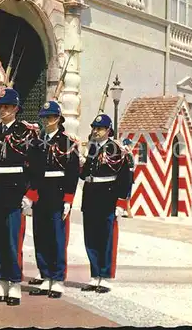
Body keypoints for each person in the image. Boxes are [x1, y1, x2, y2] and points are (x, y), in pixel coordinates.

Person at [0, 88, 42, 306]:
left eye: (6, 107)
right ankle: (1, 281)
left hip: (13, 191)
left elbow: (37, 167)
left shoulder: (26, 132)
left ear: (15, 109)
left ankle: (14, 284)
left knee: (11, 240)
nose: (2, 110)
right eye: (0, 107)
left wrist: (30, 194)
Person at [29, 100, 80, 298]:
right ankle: (45, 275)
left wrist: (68, 199)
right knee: (40, 236)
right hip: (40, 194)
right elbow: (31, 170)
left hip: (58, 194)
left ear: (58, 119)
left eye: (50, 117)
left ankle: (57, 278)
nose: (46, 121)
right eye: (44, 117)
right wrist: (31, 193)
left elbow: (73, 172)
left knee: (57, 238)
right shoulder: (36, 143)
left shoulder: (67, 142)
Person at [79, 113, 130, 294]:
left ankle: (106, 277)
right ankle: (95, 275)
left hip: (107, 198)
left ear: (108, 130)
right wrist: (82, 160)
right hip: (91, 197)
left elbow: (125, 178)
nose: (96, 131)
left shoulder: (115, 149)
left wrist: (120, 203)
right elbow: (84, 175)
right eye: (94, 128)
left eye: (99, 128)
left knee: (105, 240)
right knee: (90, 238)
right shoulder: (92, 148)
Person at [121, 138, 135, 219]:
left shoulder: (129, 154)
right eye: (130, 145)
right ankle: (125, 210)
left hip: (130, 175)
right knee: (126, 194)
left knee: (128, 194)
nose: (131, 146)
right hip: (126, 176)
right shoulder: (125, 154)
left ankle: (126, 210)